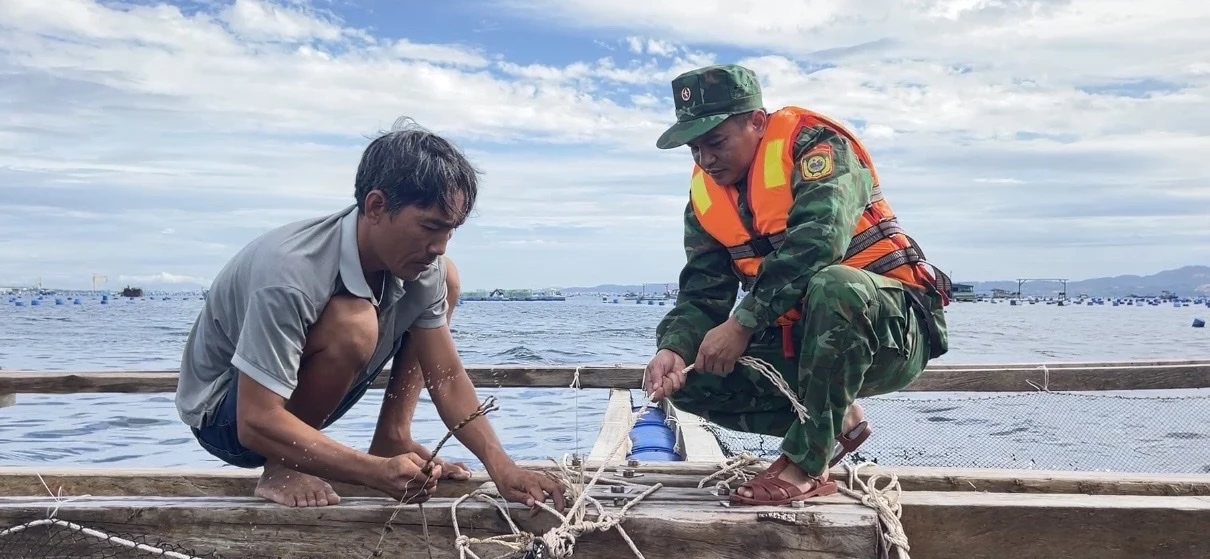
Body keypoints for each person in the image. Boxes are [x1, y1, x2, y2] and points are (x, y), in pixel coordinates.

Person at [175, 120, 566, 513]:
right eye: (430, 227)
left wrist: (502, 466)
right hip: (227, 420)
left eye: (451, 230)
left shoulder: (426, 267)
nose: (439, 245)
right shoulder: (291, 273)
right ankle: (282, 467)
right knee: (354, 323)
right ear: (376, 206)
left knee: (447, 276)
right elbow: (255, 419)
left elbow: (446, 376)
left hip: (283, 405)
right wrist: (371, 472)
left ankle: (393, 435)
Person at [643, 64, 952, 506]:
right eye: (694, 148)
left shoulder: (820, 147)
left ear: (756, 120)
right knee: (688, 378)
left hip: (893, 331)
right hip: (804, 345)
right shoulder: (705, 199)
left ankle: (807, 463)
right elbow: (701, 293)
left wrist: (744, 323)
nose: (705, 159)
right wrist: (673, 348)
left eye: (715, 142)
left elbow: (819, 242)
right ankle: (836, 418)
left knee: (835, 285)